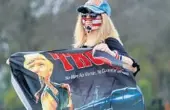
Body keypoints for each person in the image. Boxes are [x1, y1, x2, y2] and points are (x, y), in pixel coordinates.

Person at [73, 0, 140, 75]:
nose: (88, 18)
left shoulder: (109, 42)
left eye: (93, 14)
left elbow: (134, 68)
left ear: (103, 18)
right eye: (84, 14)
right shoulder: (79, 47)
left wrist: (112, 54)